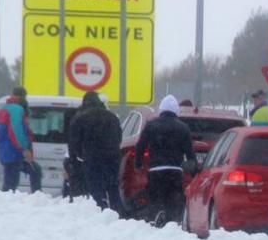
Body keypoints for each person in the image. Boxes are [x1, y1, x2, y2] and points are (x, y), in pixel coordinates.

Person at [134, 95, 195, 227]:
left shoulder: (151, 126)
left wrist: (138, 163)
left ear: (161, 109)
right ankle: (172, 224)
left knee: (156, 199)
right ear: (176, 111)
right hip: (175, 172)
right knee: (173, 200)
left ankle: (155, 220)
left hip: (156, 171)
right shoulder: (183, 128)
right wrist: (192, 167)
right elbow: (190, 154)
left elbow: (140, 146)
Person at [68, 91, 123, 213]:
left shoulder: (80, 118)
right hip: (112, 158)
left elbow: (73, 142)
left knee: (96, 187)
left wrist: (78, 157)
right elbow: (119, 137)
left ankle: (100, 211)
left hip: (92, 158)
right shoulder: (112, 117)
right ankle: (117, 213)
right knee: (113, 187)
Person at [0, 88, 42, 193]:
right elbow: (16, 130)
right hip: (14, 152)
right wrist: (24, 148)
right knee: (11, 184)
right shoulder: (16, 109)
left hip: (6, 151)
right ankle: (34, 196)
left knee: (34, 170)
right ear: (21, 96)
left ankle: (36, 196)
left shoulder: (4, 109)